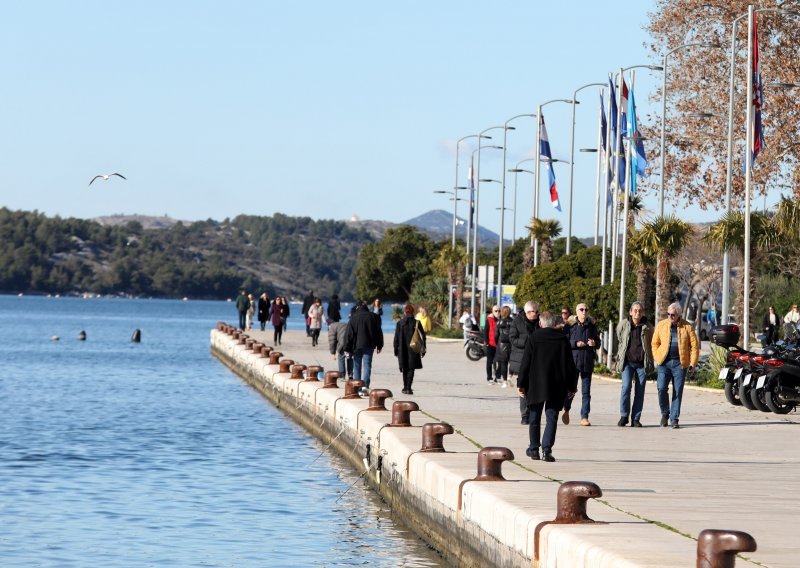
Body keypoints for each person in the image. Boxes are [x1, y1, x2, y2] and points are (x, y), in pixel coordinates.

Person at [517, 311, 577, 462]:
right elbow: (570, 366)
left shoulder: (534, 337)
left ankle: (534, 449)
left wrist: (521, 384)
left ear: (541, 323)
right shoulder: (563, 339)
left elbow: (526, 363)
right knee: (552, 417)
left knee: (534, 416)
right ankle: (547, 449)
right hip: (557, 385)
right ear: (554, 323)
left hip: (536, 384)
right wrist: (572, 387)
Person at [652, 302, 699, 429]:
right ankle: (664, 414)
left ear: (679, 314)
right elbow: (654, 343)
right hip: (664, 363)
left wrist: (692, 363)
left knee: (677, 392)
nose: (670, 317)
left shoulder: (687, 327)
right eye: (668, 314)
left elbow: (694, 346)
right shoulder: (661, 325)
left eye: (672, 315)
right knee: (661, 388)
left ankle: (674, 418)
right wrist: (657, 357)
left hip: (680, 364)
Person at [616, 302, 654, 427]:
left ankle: (635, 418)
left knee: (640, 391)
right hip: (627, 362)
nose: (637, 313)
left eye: (640, 311)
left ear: (642, 312)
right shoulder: (624, 324)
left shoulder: (648, 327)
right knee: (626, 388)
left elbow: (651, 342)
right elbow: (619, 337)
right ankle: (624, 416)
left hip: (641, 364)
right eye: (635, 310)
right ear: (631, 312)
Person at [565, 303, 601, 427]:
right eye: (582, 309)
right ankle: (566, 408)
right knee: (571, 390)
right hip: (573, 363)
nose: (584, 311)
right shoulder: (570, 326)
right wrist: (575, 343)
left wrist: (594, 343)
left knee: (586, 393)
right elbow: (565, 342)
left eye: (586, 309)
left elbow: (598, 342)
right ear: (577, 312)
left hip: (587, 363)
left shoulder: (591, 326)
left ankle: (584, 417)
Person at [344, 301, 384, 396]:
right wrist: (379, 345)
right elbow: (379, 332)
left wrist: (347, 347)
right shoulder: (374, 317)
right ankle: (365, 387)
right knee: (367, 365)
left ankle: (357, 386)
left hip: (356, 346)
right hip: (369, 345)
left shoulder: (353, 318)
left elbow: (348, 335)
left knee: (356, 365)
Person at [509, 301, 539, 424]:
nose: (536, 314)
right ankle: (525, 415)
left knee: (534, 387)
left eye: (537, 311)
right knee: (523, 387)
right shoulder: (517, 321)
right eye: (534, 312)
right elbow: (512, 338)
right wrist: (526, 342)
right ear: (527, 312)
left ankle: (533, 412)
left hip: (537, 359)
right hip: (522, 359)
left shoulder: (539, 322)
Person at [394, 304, 426, 394]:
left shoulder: (400, 323)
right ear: (413, 312)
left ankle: (405, 387)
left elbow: (396, 338)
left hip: (402, 349)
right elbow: (423, 335)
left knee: (405, 368)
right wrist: (423, 348)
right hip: (414, 348)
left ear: (405, 312)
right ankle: (409, 388)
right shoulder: (416, 322)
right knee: (411, 368)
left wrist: (396, 349)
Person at [494, 306, 513, 386]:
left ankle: (504, 382)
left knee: (503, 363)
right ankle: (510, 376)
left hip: (501, 344)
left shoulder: (499, 322)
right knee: (512, 362)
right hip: (511, 344)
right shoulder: (513, 321)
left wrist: (497, 342)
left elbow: (496, 334)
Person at [484, 305, 499, 384]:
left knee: (499, 362)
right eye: (496, 311)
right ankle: (489, 377)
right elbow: (486, 331)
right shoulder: (489, 319)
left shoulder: (500, 320)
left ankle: (497, 377)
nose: (497, 312)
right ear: (493, 312)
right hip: (490, 344)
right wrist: (486, 342)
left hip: (499, 344)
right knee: (489, 361)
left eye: (499, 311)